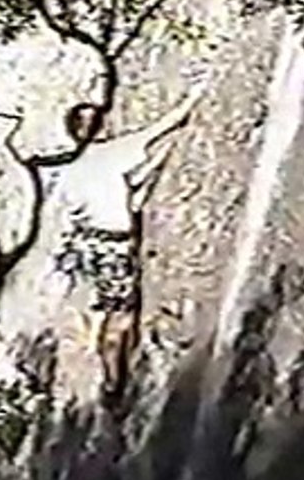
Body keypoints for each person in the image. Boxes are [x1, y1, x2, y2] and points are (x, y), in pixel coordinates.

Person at [46, 83, 207, 408]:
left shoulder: (68, 169)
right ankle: (112, 383)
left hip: (88, 246)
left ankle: (110, 373)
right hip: (114, 247)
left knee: (110, 311)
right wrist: (198, 91)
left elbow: (83, 204)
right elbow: (167, 123)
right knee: (121, 317)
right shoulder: (114, 151)